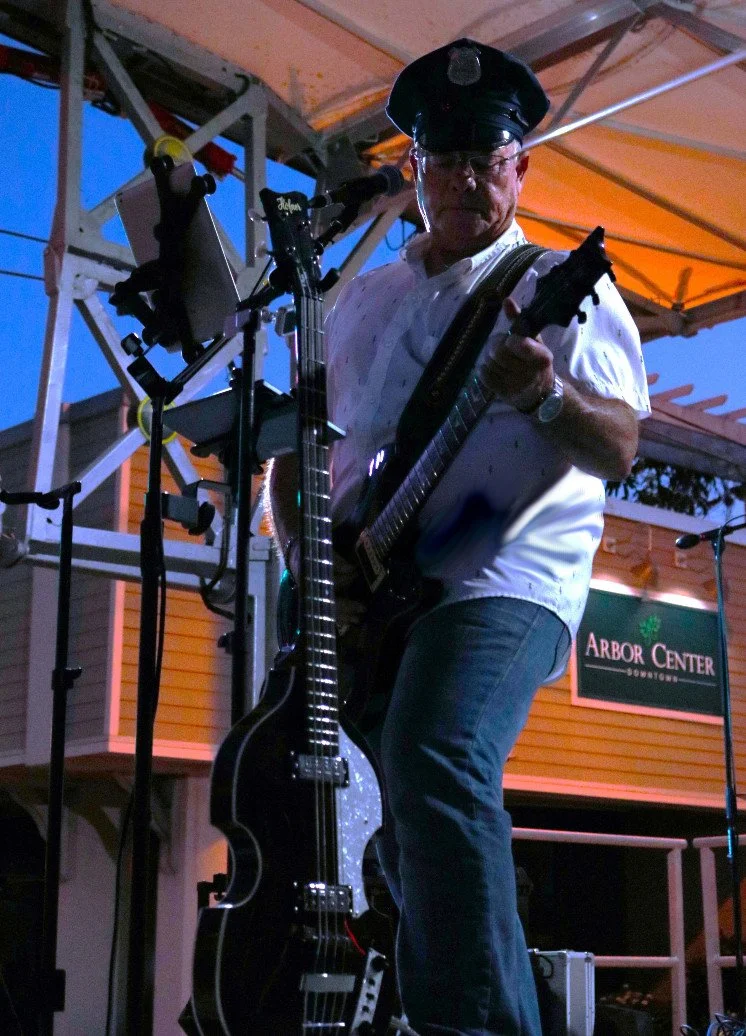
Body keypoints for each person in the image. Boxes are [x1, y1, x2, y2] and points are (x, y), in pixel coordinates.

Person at [268, 38, 650, 1036]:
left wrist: (547, 392)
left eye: (490, 160)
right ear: (415, 169)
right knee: (391, 811)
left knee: (435, 754)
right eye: (447, 161)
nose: (467, 180)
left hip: (505, 571)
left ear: (520, 168)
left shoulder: (561, 285)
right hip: (369, 581)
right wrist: (301, 566)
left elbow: (614, 445)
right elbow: (307, 448)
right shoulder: (365, 296)